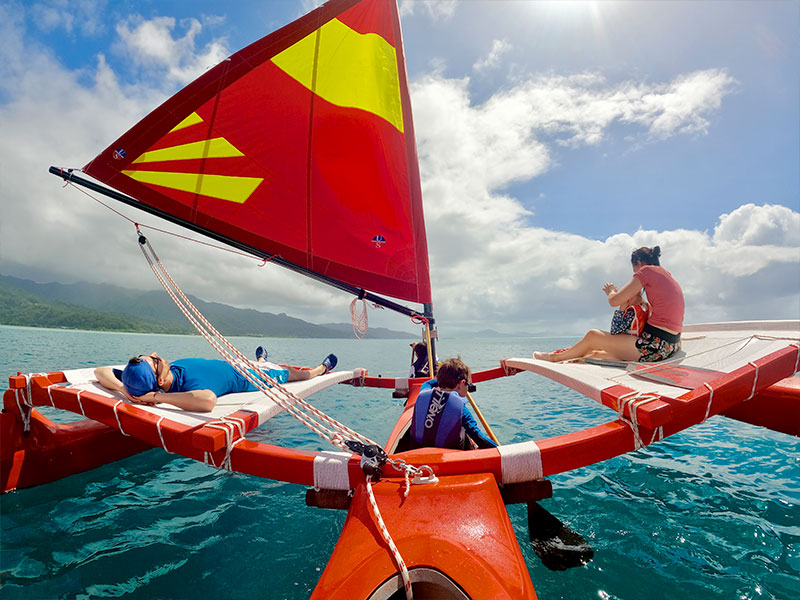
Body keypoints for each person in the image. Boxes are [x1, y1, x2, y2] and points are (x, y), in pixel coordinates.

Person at [534, 245, 684, 363]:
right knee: (596, 352)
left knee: (593, 336)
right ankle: (575, 356)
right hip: (672, 345)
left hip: (655, 348)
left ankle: (554, 358)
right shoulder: (666, 274)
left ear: (638, 263)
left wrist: (611, 291)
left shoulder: (646, 271)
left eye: (634, 269)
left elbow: (614, 301)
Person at [94, 347, 338, 413]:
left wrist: (127, 392)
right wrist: (156, 398)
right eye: (154, 360)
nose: (156, 355)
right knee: (292, 373)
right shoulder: (185, 390)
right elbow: (208, 400)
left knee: (259, 362)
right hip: (250, 377)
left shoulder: (144, 379)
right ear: (157, 379)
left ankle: (261, 358)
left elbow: (101, 371)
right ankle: (319, 369)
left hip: (235, 365)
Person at [408, 357, 497, 450]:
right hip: (448, 457)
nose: (468, 388)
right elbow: (479, 438)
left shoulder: (423, 392)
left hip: (417, 450)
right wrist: (502, 449)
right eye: (468, 385)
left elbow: (428, 383)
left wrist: (444, 379)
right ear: (462, 383)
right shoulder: (462, 410)